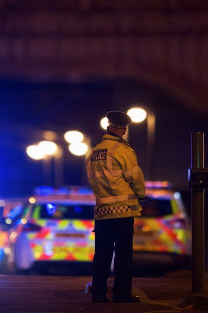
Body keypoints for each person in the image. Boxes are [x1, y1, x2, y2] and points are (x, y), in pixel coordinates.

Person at [86, 111, 146, 303]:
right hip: (122, 211)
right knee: (123, 255)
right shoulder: (122, 150)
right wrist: (141, 195)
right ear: (122, 129)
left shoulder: (95, 152)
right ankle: (121, 294)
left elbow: (92, 180)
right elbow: (134, 176)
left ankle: (98, 292)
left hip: (102, 212)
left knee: (102, 254)